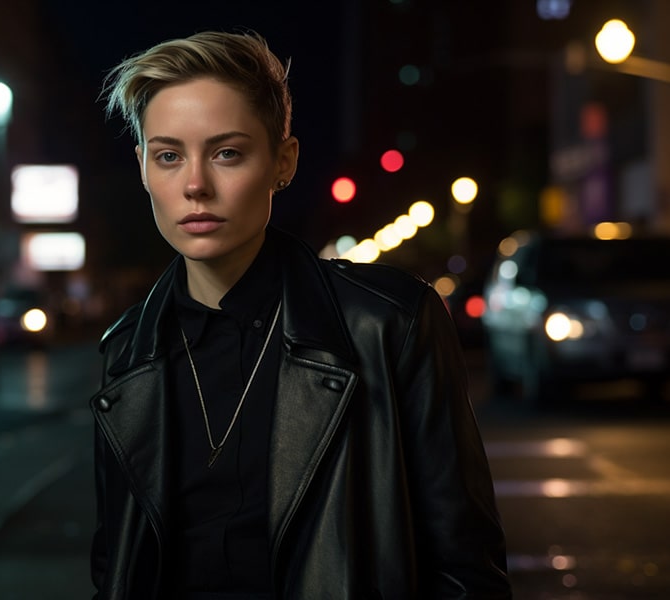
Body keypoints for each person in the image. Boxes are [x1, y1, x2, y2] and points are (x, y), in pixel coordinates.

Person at [90, 29, 511, 599]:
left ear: (283, 163)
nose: (195, 185)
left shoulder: (390, 324)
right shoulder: (126, 354)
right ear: (143, 168)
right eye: (169, 156)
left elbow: (466, 569)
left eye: (227, 153)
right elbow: (117, 565)